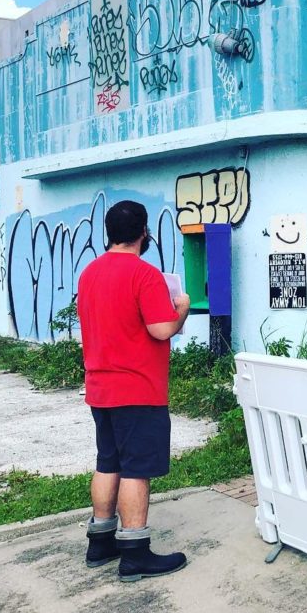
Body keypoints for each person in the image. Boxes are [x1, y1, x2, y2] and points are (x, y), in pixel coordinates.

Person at [77, 199, 191, 580]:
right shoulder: (145, 275)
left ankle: (100, 542)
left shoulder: (89, 273)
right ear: (145, 232)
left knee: (108, 461)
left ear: (108, 232)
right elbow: (161, 329)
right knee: (136, 469)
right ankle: (135, 553)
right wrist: (183, 308)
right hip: (138, 389)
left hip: (100, 387)